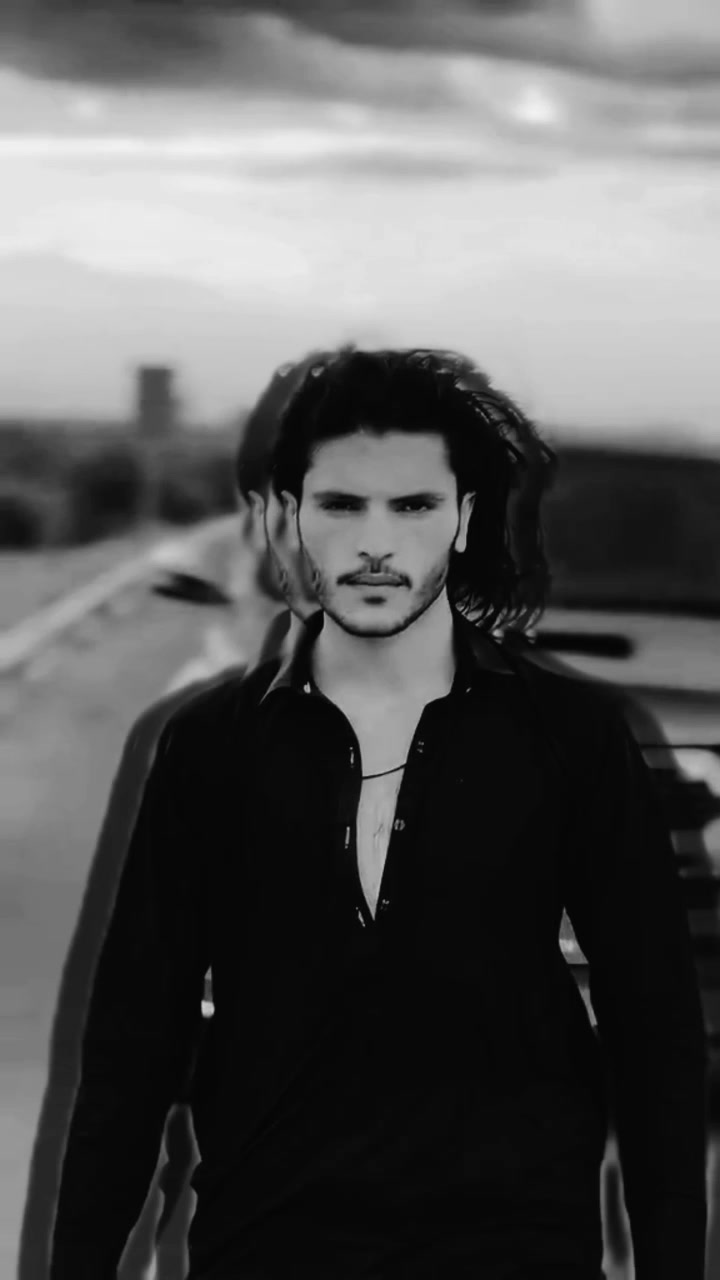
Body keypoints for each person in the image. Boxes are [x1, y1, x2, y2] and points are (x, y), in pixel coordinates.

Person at [49, 346, 708, 1280]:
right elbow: (133, 1045)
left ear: (464, 518)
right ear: (290, 516)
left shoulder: (573, 736)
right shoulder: (211, 745)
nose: (374, 544)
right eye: (341, 505)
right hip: (266, 1246)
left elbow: (654, 1031)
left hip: (513, 1250)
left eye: (413, 507)